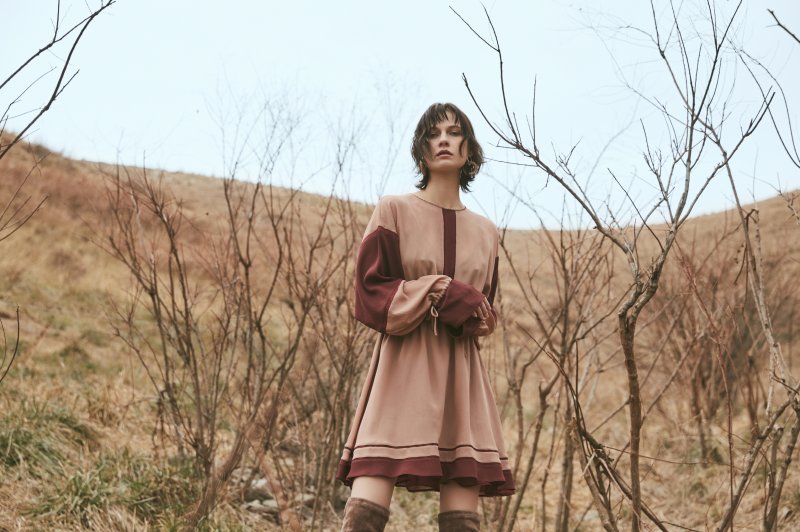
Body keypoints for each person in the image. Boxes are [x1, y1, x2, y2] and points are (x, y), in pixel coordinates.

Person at [336, 102, 514, 532]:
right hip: (403, 364)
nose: (443, 140)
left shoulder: (487, 232)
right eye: (433, 134)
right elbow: (369, 291)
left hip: (461, 373)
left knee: (462, 510)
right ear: (421, 152)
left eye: (454, 132)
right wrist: (438, 290)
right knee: (368, 497)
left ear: (469, 150)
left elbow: (485, 309)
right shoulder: (393, 209)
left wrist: (476, 313)